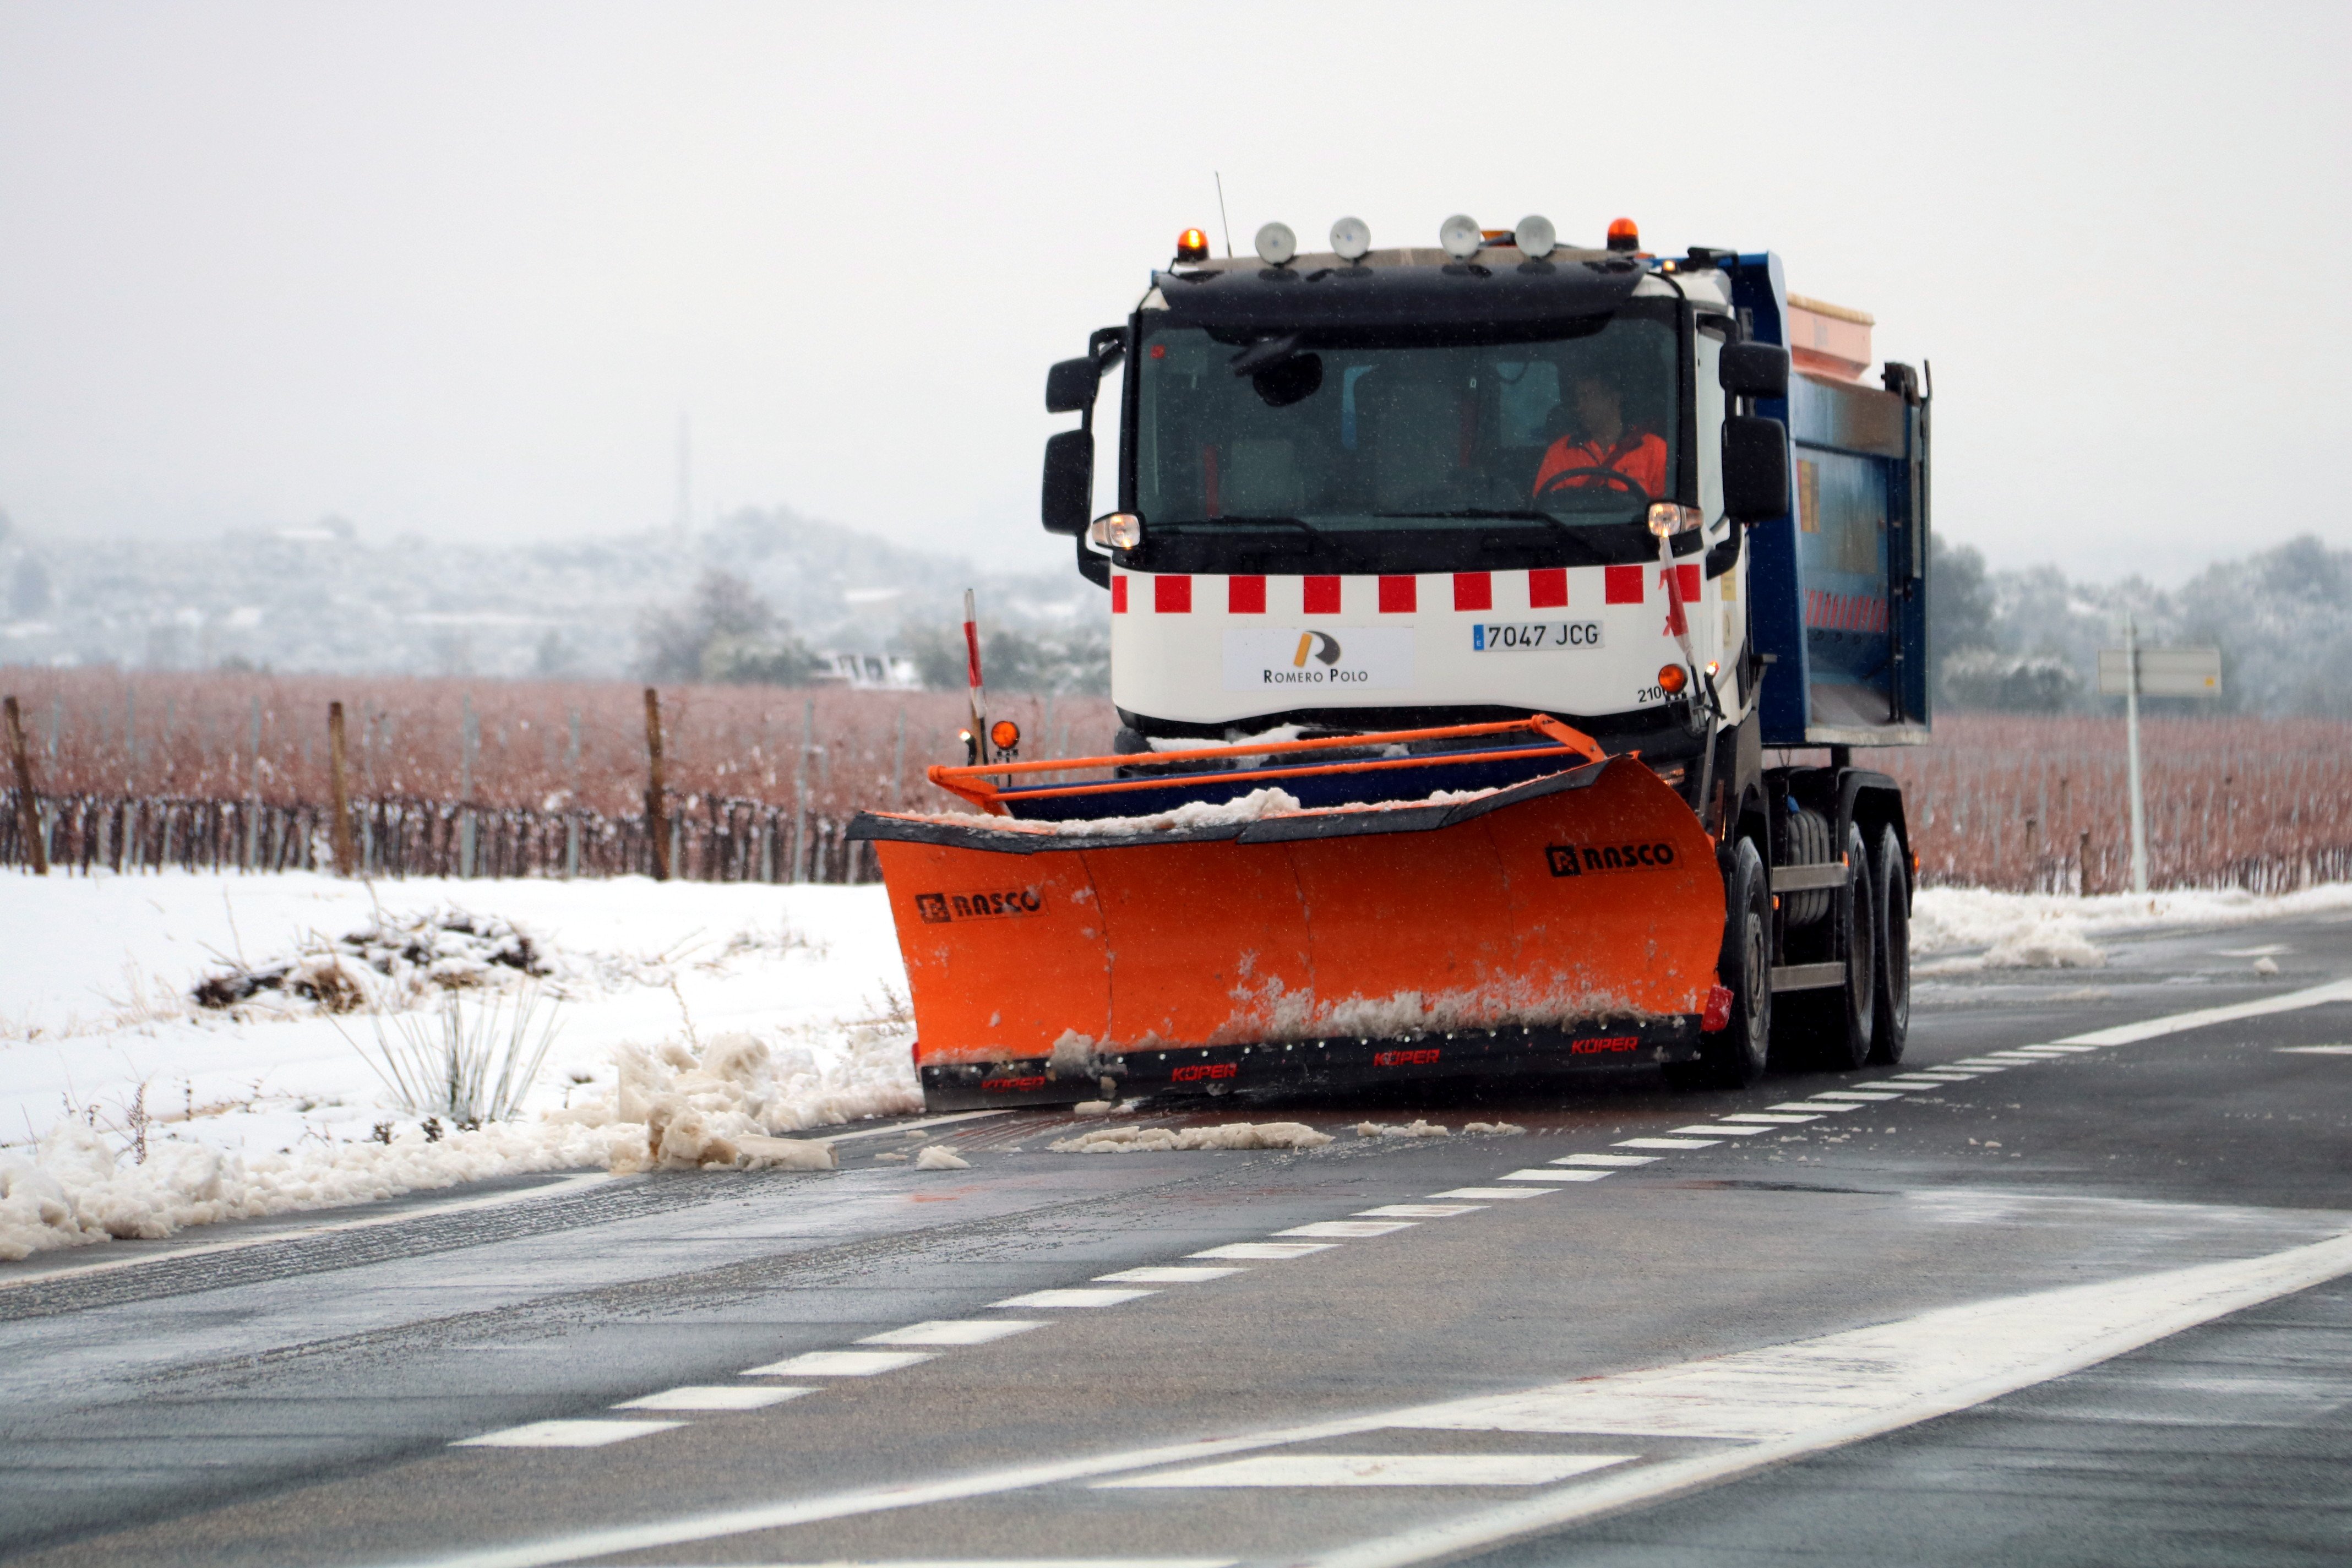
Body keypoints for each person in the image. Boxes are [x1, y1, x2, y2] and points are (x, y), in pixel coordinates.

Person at [1532, 372, 1667, 501]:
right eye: (1578, 399)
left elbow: (1668, 514)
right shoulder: (1559, 452)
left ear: (1614, 399)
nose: (1579, 407)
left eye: (1587, 396)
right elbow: (1544, 508)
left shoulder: (1655, 449)